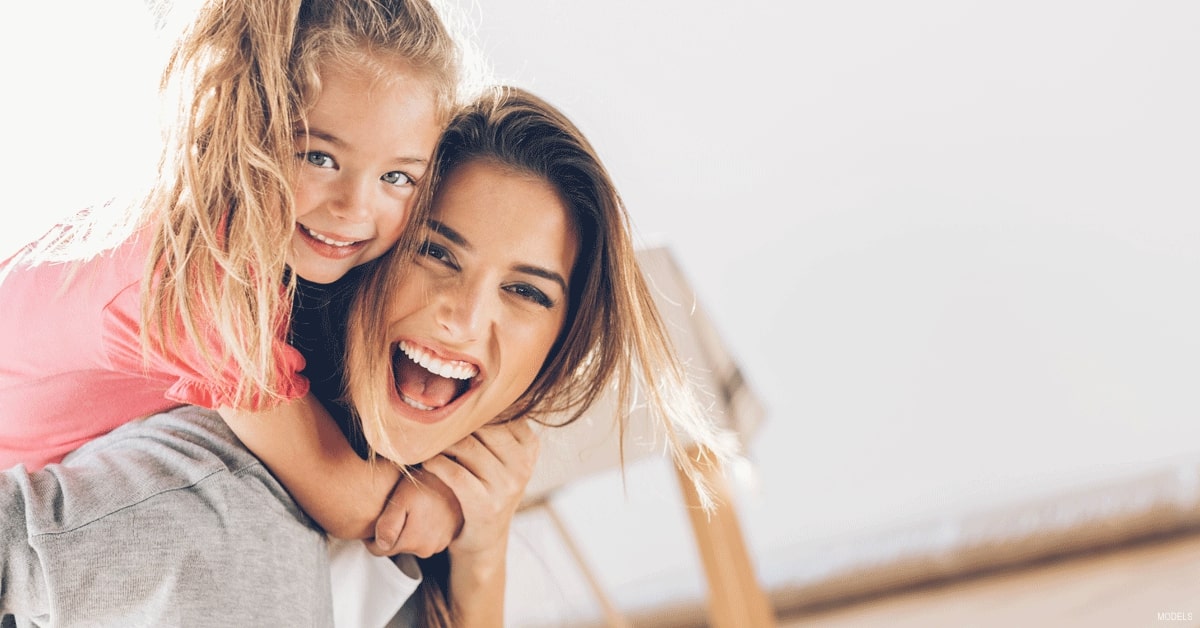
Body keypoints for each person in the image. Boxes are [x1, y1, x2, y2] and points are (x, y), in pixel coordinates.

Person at [0, 85, 737, 627]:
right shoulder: (223, 487)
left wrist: (481, 555)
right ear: (362, 251)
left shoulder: (432, 508)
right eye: (436, 253)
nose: (465, 316)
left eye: (528, 292)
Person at [0, 0, 467, 553]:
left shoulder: (216, 223)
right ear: (244, 125)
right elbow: (346, 501)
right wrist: (451, 494)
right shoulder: (199, 282)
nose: (354, 208)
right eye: (318, 157)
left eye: (397, 176)